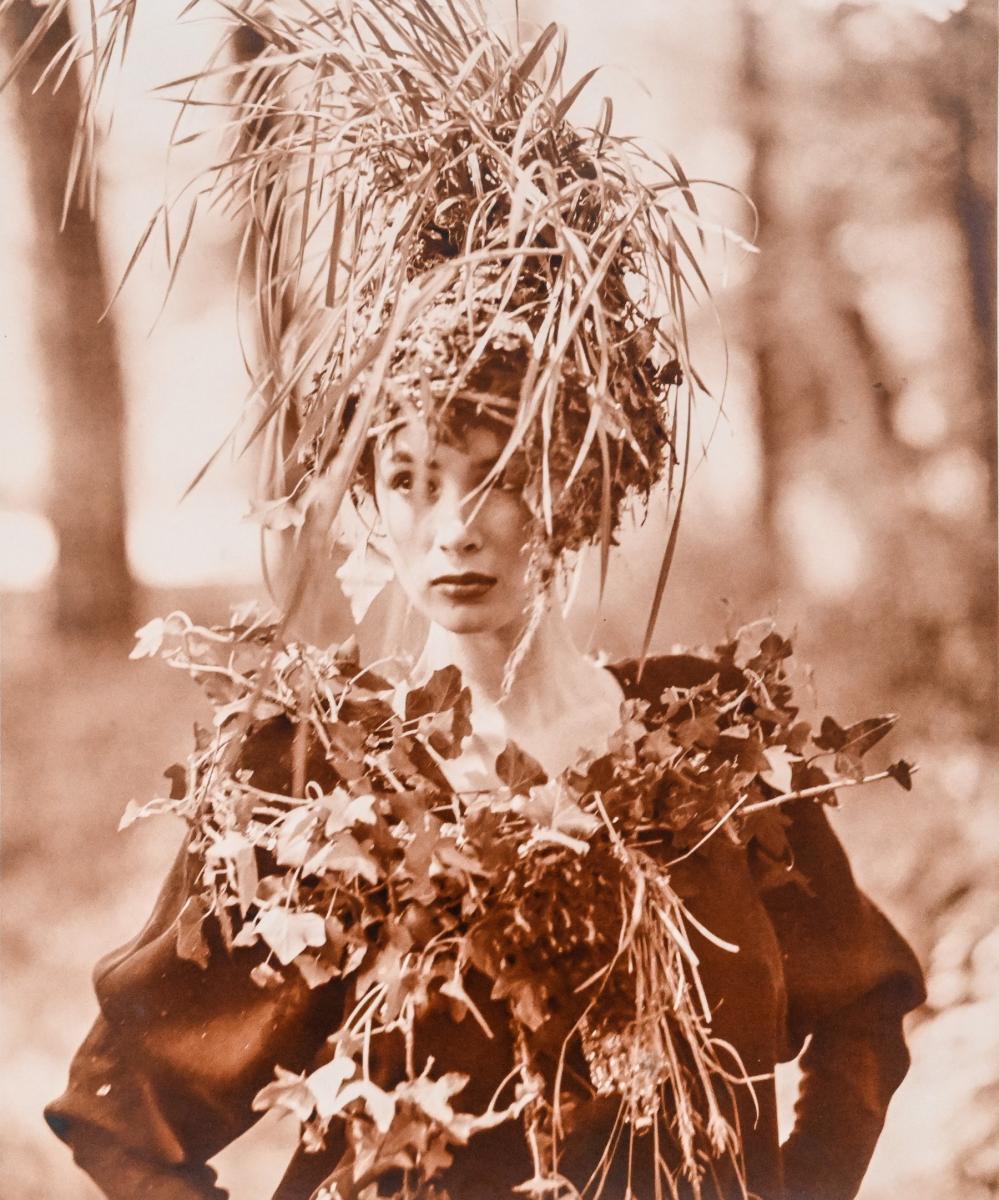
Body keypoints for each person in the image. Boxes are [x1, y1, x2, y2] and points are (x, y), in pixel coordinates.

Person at [31, 2, 924, 1198]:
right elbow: (122, 1116)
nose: (454, 524)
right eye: (409, 479)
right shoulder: (312, 778)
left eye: (498, 473)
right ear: (366, 508)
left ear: (576, 492)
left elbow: (863, 1010)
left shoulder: (716, 760)